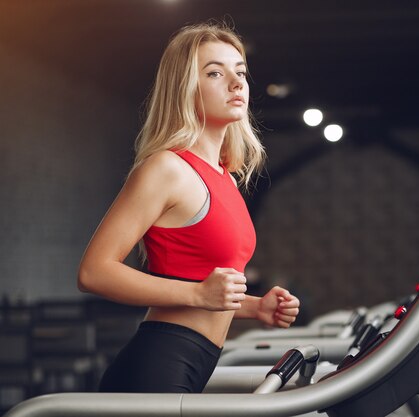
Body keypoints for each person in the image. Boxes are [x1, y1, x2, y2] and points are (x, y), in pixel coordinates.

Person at [77, 21, 300, 393]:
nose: (236, 83)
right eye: (215, 72)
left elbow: (200, 283)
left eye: (240, 72)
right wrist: (197, 295)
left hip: (196, 361)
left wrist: (254, 307)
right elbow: (93, 272)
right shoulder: (166, 168)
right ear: (185, 88)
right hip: (158, 364)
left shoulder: (225, 175)